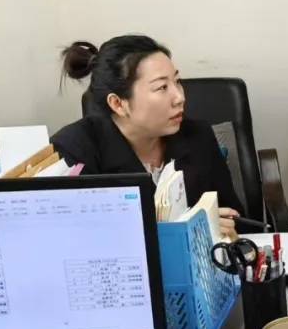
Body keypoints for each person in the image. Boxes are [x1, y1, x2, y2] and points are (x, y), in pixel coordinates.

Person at [52, 35, 244, 237]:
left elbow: (239, 221)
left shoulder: (198, 135)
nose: (180, 97)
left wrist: (222, 226)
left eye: (177, 82)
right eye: (162, 87)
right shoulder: (73, 153)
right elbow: (78, 239)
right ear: (118, 103)